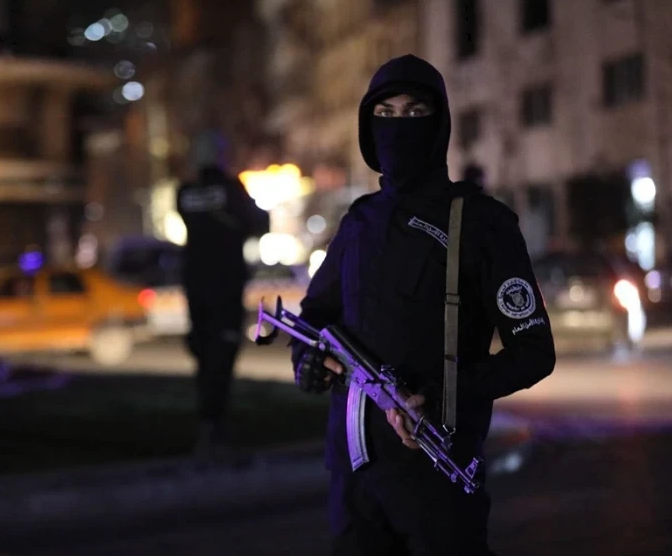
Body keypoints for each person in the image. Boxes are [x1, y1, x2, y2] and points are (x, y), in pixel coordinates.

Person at [290, 54, 556, 555]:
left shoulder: (481, 223)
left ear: (439, 124)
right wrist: (306, 360)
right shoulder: (358, 222)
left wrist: (442, 397)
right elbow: (316, 316)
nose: (399, 126)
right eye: (385, 113)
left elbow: (534, 352)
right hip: (354, 482)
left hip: (438, 475)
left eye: (415, 112)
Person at [176, 161, 269, 453]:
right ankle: (215, 423)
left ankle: (207, 419)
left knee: (203, 352)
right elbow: (259, 223)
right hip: (225, 282)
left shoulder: (185, 192)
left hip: (195, 281)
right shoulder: (231, 190)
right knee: (223, 351)